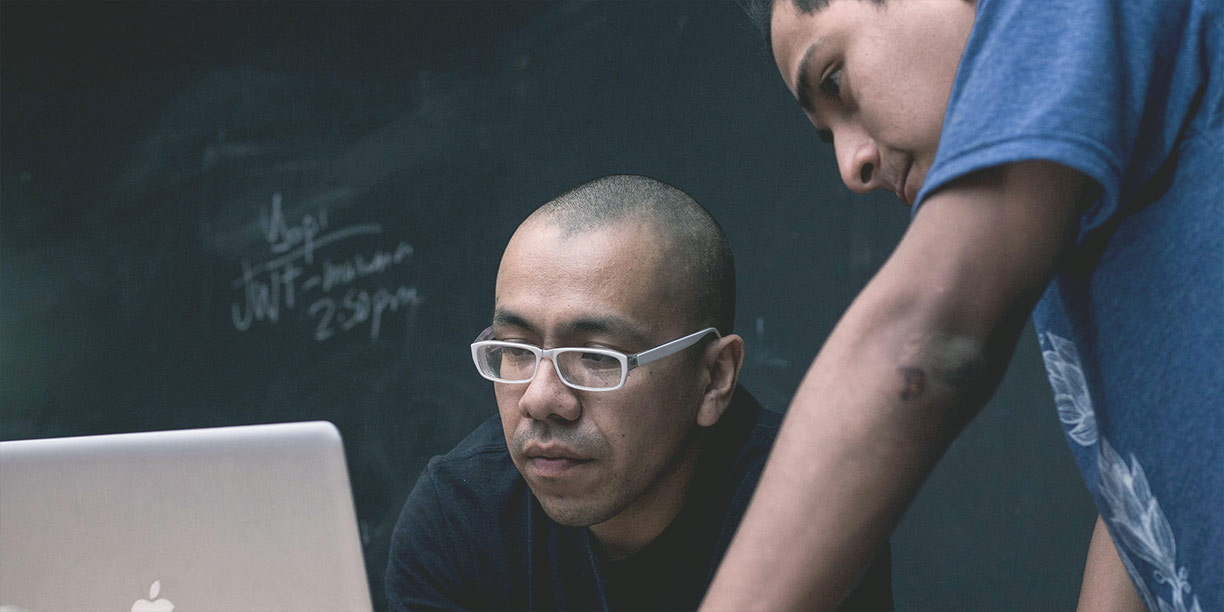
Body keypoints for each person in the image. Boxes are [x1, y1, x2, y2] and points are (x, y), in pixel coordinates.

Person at [702, 0, 1221, 610]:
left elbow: (927, 339)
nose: (852, 164)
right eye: (827, 135)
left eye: (836, 82)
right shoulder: (1069, 195)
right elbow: (1140, 482)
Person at [385, 175, 893, 611]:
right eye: (516, 350)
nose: (539, 400)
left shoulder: (808, 507)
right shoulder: (460, 519)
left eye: (596, 358)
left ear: (714, 377)